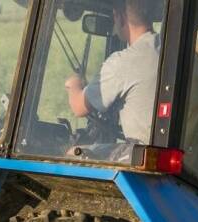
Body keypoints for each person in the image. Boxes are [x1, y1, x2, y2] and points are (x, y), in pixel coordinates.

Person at [65, 0, 161, 157]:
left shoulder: (123, 62)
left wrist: (73, 84)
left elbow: (78, 107)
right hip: (184, 151)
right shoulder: (176, 53)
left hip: (143, 153)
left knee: (74, 153)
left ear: (120, 17)